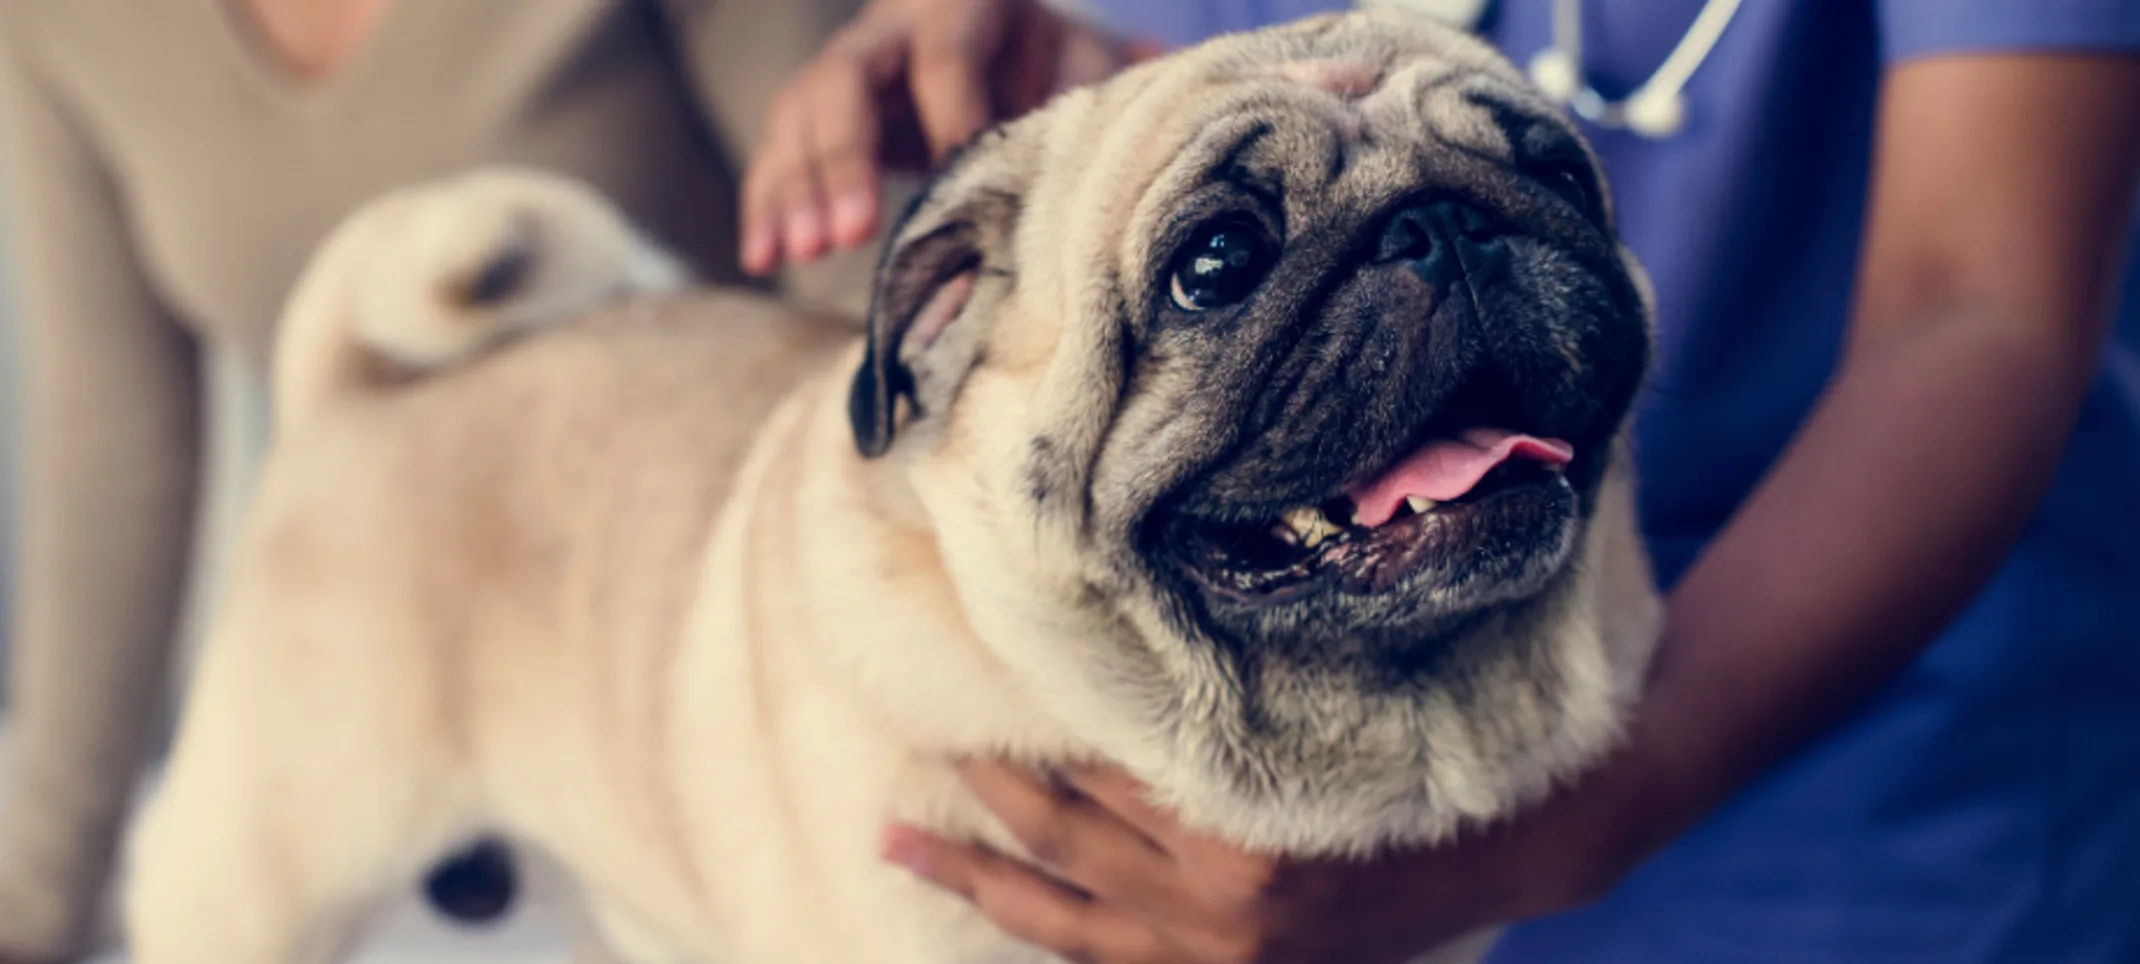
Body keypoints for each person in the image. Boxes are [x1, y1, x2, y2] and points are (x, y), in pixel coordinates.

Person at [741, 0, 2140, 960]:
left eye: (1522, 171)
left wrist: (1568, 828)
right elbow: (1146, 99)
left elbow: (1982, 303)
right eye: (1223, 260)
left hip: (1877, 675)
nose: (1429, 263)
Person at [0, 1, 874, 961]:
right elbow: (117, 454)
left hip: (687, 680)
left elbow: (870, 292)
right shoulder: (54, 25)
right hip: (351, 607)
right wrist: (37, 904)